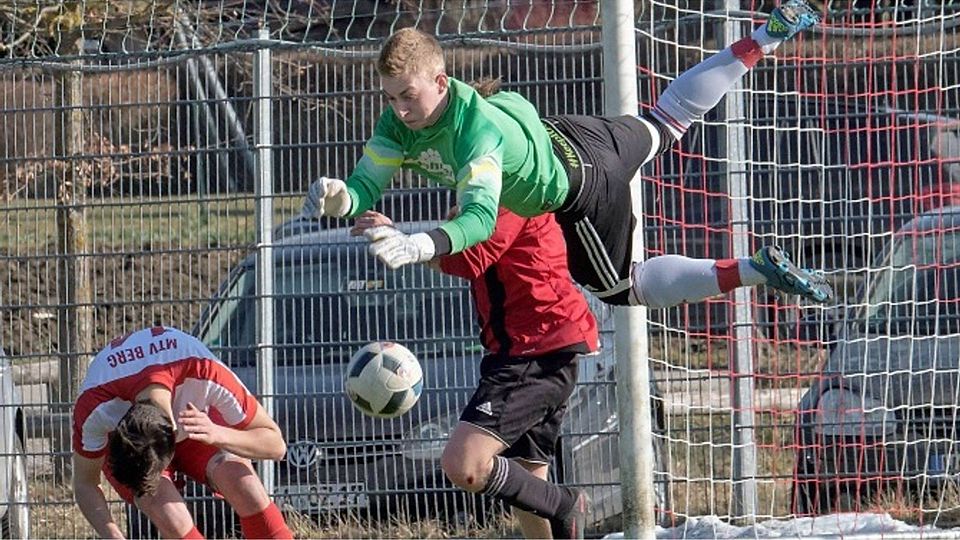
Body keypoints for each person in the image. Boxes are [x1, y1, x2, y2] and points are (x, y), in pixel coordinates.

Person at [301, 0, 833, 310]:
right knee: (666, 118)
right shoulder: (398, 121)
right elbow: (368, 184)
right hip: (573, 134)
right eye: (389, 96)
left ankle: (754, 268)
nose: (399, 109)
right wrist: (343, 197)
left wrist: (420, 244)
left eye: (408, 95)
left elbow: (482, 218)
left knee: (625, 290)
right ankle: (767, 35)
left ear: (441, 81)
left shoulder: (474, 133)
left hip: (582, 187)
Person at [352, 207, 598, 539]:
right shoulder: (492, 193)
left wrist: (401, 240)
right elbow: (458, 249)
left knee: (464, 465)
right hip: (528, 349)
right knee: (527, 481)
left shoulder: (511, 196)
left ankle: (565, 504)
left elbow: (468, 257)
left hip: (535, 349)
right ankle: (558, 508)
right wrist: (400, 238)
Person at [71, 326, 293, 540]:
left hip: (195, 418)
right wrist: (113, 536)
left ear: (173, 430)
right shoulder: (94, 405)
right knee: (169, 514)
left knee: (243, 483)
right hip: (136, 442)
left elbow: (276, 445)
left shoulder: (202, 369)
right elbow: (85, 483)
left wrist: (217, 434)